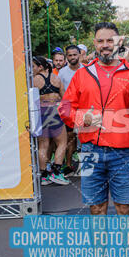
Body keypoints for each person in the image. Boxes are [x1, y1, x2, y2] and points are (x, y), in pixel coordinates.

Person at [58, 22, 129, 257]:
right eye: (100, 41)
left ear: (117, 42)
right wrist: (81, 116)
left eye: (110, 40)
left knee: (124, 209)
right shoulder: (82, 75)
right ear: (94, 43)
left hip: (123, 152)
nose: (105, 45)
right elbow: (65, 108)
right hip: (89, 151)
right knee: (96, 208)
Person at [32, 56, 69, 186]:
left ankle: (44, 176)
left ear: (40, 67)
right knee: (62, 143)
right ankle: (57, 173)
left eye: (34, 66)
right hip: (54, 112)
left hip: (41, 113)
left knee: (43, 145)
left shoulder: (33, 80)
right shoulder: (56, 78)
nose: (32, 69)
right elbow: (65, 98)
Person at [58, 45, 83, 176]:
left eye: (75, 54)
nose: (72, 57)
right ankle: (68, 166)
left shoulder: (87, 69)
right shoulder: (62, 73)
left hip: (85, 110)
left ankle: (84, 168)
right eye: (70, 55)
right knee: (70, 138)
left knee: (85, 139)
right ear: (66, 57)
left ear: (80, 55)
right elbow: (60, 91)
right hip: (69, 111)